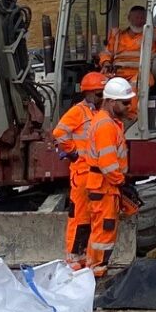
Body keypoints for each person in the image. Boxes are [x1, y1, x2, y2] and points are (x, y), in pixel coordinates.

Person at [75, 76, 139, 276]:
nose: (129, 107)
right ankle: (97, 269)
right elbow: (108, 163)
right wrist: (122, 182)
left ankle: (94, 267)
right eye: (125, 103)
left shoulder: (106, 122)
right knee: (105, 229)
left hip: (103, 185)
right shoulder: (105, 126)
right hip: (105, 185)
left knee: (101, 229)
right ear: (111, 102)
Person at [53, 71, 106, 267]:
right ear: (89, 93)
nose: (102, 98)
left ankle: (83, 254)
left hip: (94, 172)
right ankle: (74, 255)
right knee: (80, 216)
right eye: (99, 94)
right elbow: (59, 133)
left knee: (92, 215)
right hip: (82, 172)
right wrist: (73, 152)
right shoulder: (78, 112)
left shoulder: (99, 113)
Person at [98, 2, 156, 89]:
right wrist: (106, 63)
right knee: (98, 83)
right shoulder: (117, 36)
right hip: (117, 73)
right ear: (129, 18)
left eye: (142, 17)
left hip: (141, 73)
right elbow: (106, 53)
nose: (140, 20)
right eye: (136, 17)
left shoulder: (152, 35)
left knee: (135, 85)